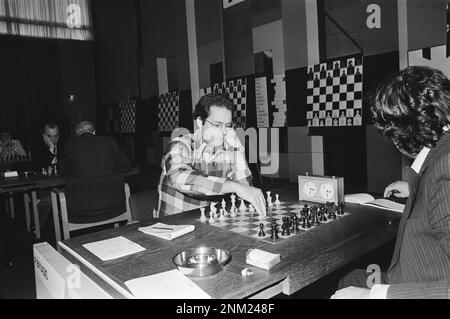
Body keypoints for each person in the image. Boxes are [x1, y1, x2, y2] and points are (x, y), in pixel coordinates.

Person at [331, 66, 450, 299]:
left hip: (416, 288)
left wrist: (374, 296)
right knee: (351, 278)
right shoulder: (439, 158)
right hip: (417, 274)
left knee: (349, 287)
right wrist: (417, 187)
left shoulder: (444, 172)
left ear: (403, 131)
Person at [155, 93, 266, 217]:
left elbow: (246, 189)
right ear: (200, 122)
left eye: (228, 126)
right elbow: (178, 177)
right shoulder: (180, 145)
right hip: (173, 224)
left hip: (206, 221)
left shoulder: (229, 147)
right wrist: (232, 186)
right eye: (217, 125)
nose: (224, 132)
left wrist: (238, 152)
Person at [61, 121, 132, 177]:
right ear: (94, 132)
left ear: (77, 135)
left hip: (83, 193)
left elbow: (63, 171)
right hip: (111, 192)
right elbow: (125, 166)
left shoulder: (70, 145)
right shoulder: (109, 141)